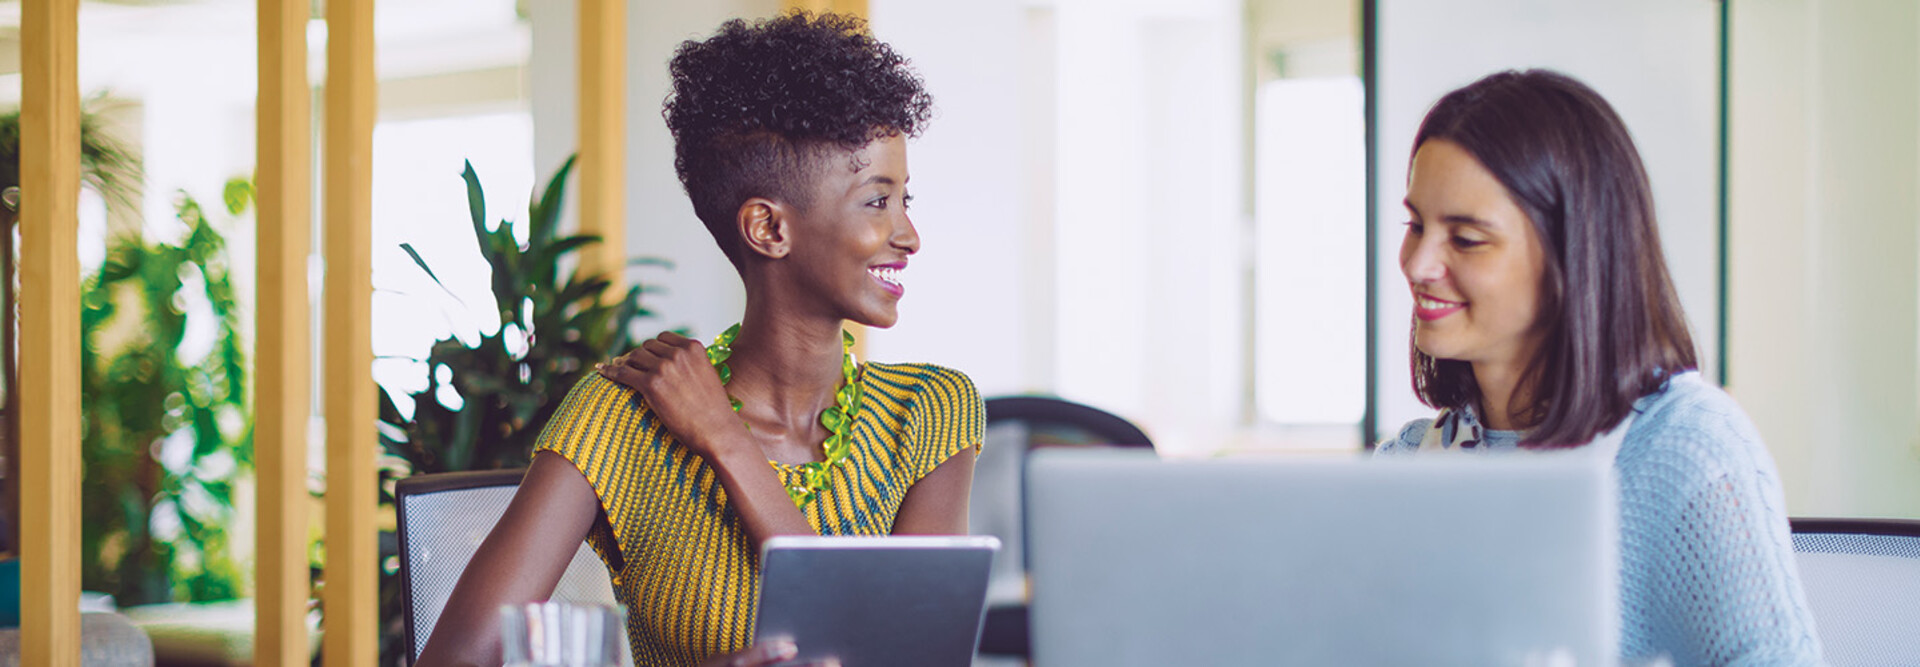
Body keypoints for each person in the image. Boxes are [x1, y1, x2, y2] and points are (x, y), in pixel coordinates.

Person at [415, 12, 982, 667]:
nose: (908, 234)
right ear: (769, 228)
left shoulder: (931, 410)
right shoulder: (622, 411)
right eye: (877, 202)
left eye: (906, 199)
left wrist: (726, 441)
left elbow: (897, 656)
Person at [1375, 70, 1824, 666]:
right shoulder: (1405, 465)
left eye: (1466, 238)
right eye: (1416, 226)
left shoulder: (1686, 451)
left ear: (1571, 255)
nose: (1418, 263)